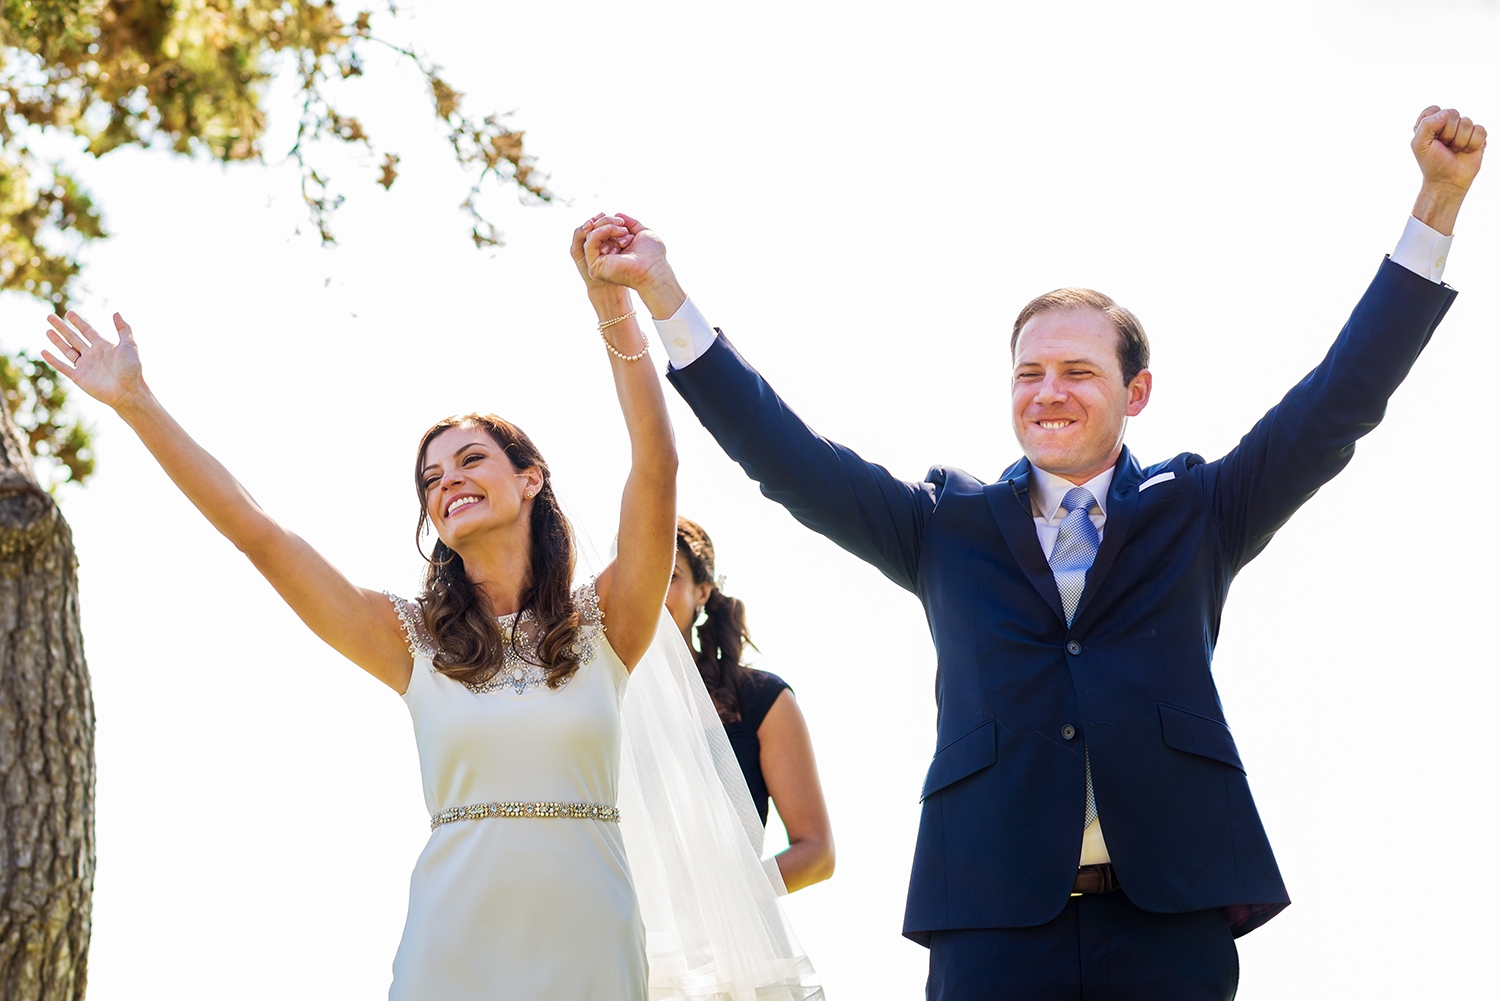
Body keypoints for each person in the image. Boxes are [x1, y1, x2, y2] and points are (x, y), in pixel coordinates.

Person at [580, 105, 1486, 999]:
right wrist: (665, 295)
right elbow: (788, 455)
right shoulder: (945, 525)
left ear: (1137, 393)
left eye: (1078, 372)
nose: (1048, 393)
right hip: (991, 919)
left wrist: (1435, 205)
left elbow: (1340, 401)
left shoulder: (1200, 509)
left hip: (1169, 916)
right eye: (1029, 373)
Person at [38, 218, 820, 1000]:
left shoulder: (607, 624)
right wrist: (138, 404)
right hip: (453, 952)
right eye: (431, 477)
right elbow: (259, 533)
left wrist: (609, 304)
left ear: (531, 478)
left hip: (594, 945)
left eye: (471, 458)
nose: (447, 480)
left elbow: (657, 461)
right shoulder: (405, 640)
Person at [666, 516, 835, 892]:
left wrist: (727, 905)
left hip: (725, 943)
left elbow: (817, 852)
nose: (651, 588)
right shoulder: (593, 697)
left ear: (703, 592)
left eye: (670, 575)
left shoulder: (761, 698)